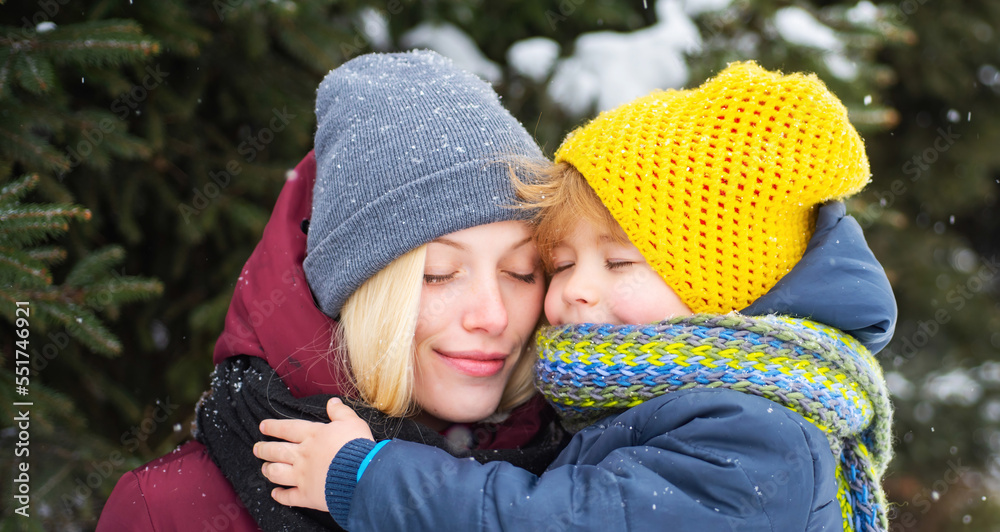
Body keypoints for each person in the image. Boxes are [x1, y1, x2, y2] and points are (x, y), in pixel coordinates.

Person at [254, 62, 896, 532]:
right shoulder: (660, 410)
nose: (576, 291)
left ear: (729, 291)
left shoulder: (755, 437)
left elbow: (557, 522)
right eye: (558, 265)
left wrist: (368, 479)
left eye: (619, 262)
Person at [96, 50, 567, 532]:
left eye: (522, 272)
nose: (493, 316)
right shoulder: (168, 512)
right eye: (438, 273)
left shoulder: (581, 481)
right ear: (358, 290)